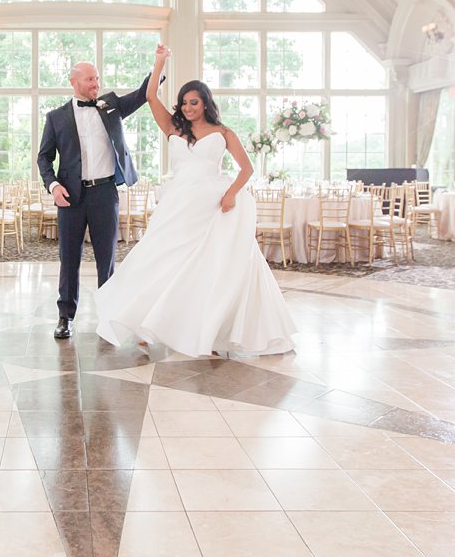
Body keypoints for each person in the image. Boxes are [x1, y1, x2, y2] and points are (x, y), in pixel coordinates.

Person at [95, 44, 296, 357]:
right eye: (184, 103)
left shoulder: (223, 131)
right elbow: (150, 96)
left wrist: (230, 194)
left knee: (210, 268)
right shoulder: (173, 127)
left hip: (212, 207)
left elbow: (247, 168)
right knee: (161, 260)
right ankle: (144, 324)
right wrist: (159, 61)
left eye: (193, 102)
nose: (187, 107)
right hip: (179, 205)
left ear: (205, 104)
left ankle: (211, 331)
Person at [36, 61, 158, 340]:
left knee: (107, 259)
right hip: (70, 196)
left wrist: (158, 65)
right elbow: (44, 157)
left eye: (97, 79)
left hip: (105, 193)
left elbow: (142, 94)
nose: (96, 84)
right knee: (69, 259)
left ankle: (108, 315)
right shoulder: (56, 117)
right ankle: (65, 317)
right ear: (74, 82)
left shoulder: (110, 106)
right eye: (90, 79)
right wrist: (53, 185)